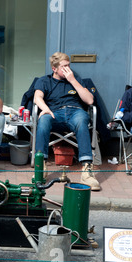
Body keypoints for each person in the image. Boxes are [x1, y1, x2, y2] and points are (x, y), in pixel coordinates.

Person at [34, 52, 100, 191]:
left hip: (74, 112)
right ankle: (41, 166)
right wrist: (46, 109)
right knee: (43, 119)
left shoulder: (75, 79)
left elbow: (89, 100)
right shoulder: (44, 81)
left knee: (82, 120)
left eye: (69, 65)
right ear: (54, 68)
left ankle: (87, 170)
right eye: (64, 66)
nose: (68, 69)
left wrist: (73, 81)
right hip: (54, 113)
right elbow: (37, 97)